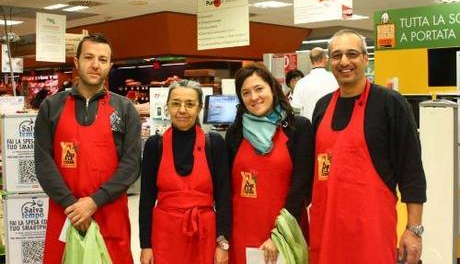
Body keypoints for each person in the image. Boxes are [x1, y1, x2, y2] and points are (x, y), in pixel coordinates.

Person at [309, 29, 426, 264]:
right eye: (337, 55)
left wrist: (413, 230)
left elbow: (411, 171)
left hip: (370, 233)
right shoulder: (322, 107)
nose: (344, 62)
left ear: (365, 58)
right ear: (329, 61)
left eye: (352, 54)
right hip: (327, 229)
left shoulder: (390, 104)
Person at [34, 33, 141, 264]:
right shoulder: (51, 107)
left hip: (109, 213)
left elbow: (131, 166)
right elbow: (43, 163)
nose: (95, 65)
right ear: (76, 61)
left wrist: (93, 202)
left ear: (110, 66)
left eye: (102, 60)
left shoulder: (125, 109)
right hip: (65, 213)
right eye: (89, 57)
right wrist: (73, 207)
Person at [225, 64, 314, 264]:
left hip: (287, 229)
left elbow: (301, 185)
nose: (254, 97)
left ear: (272, 88)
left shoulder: (297, 128)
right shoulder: (235, 133)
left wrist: (278, 236)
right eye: (246, 93)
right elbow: (226, 189)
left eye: (259, 89)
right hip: (242, 232)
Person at [139, 79, 231, 264]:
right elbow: (146, 200)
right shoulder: (154, 145)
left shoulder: (214, 144)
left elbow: (223, 198)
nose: (182, 110)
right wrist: (145, 245)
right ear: (167, 106)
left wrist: (223, 243)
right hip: (165, 236)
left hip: (204, 234)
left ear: (199, 108)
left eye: (190, 104)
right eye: (176, 103)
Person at [291, 47, 338, 120]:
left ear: (311, 61)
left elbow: (296, 109)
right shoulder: (335, 79)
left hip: (308, 127)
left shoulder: (301, 83)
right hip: (330, 124)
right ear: (325, 59)